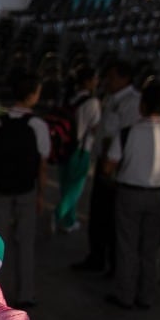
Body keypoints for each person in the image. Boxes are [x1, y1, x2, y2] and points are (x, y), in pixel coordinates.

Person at [104, 80, 160, 310]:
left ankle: (125, 293)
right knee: (150, 248)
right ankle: (146, 295)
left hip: (129, 193)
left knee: (127, 245)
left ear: (142, 105)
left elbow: (108, 166)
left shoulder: (127, 133)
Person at [0, 72, 50, 309]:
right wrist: (41, 193)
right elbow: (42, 164)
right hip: (26, 189)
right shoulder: (38, 125)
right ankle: (25, 294)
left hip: (1, 187)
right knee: (26, 242)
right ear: (32, 95)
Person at [73, 60, 140, 274]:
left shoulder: (132, 102)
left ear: (124, 78)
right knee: (98, 213)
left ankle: (113, 263)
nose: (106, 82)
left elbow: (125, 137)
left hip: (116, 164)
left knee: (112, 217)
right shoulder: (111, 99)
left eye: (111, 77)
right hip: (104, 159)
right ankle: (97, 256)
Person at [54, 65, 102, 233]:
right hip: (81, 149)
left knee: (65, 186)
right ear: (88, 81)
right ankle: (58, 215)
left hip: (64, 147)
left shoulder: (69, 98)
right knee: (74, 189)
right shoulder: (93, 102)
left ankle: (69, 221)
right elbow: (95, 127)